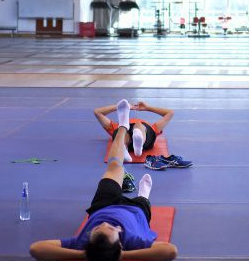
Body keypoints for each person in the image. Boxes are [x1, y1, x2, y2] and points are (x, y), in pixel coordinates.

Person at [29, 125, 178, 261]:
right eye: (111, 228)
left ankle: (122, 128)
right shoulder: (133, 241)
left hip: (103, 207)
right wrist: (122, 256)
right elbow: (170, 251)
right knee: (143, 202)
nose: (106, 223)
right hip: (135, 212)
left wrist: (83, 255)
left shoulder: (83, 243)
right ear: (121, 245)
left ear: (88, 241)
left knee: (114, 167)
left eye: (97, 228)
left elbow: (36, 249)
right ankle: (143, 194)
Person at [93, 99, 190, 170]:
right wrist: (122, 106)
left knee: (135, 127)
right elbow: (97, 112)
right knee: (126, 130)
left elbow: (170, 112)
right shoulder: (152, 127)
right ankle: (127, 146)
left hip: (140, 133)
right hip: (140, 137)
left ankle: (131, 143)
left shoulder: (117, 126)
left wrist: (146, 107)